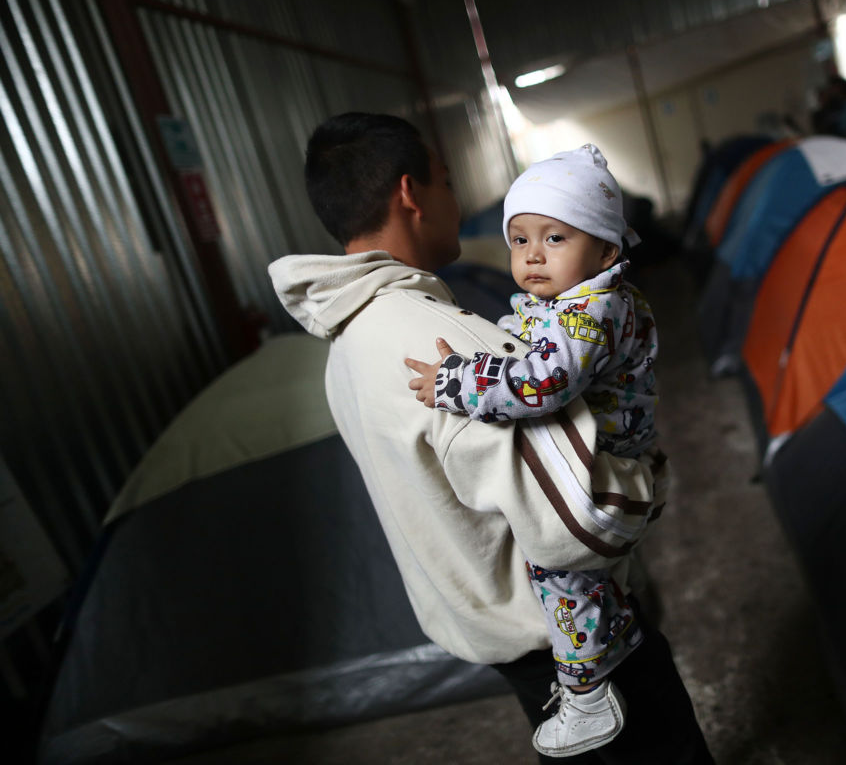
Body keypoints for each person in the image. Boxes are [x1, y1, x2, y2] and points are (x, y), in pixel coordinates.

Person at [268, 113, 714, 765]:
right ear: (411, 194)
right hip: (564, 629)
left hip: (488, 621)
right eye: (447, 180)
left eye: (553, 237)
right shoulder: (438, 345)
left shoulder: (345, 340)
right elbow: (576, 520)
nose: (530, 251)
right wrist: (645, 488)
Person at [406, 144, 659, 757]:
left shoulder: (591, 312)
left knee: (558, 569)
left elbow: (536, 384)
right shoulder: (576, 304)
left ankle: (588, 694)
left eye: (554, 237)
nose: (533, 255)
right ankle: (614, 631)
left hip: (601, 476)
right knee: (580, 576)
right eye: (520, 240)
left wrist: (453, 382)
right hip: (606, 463)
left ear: (605, 250)